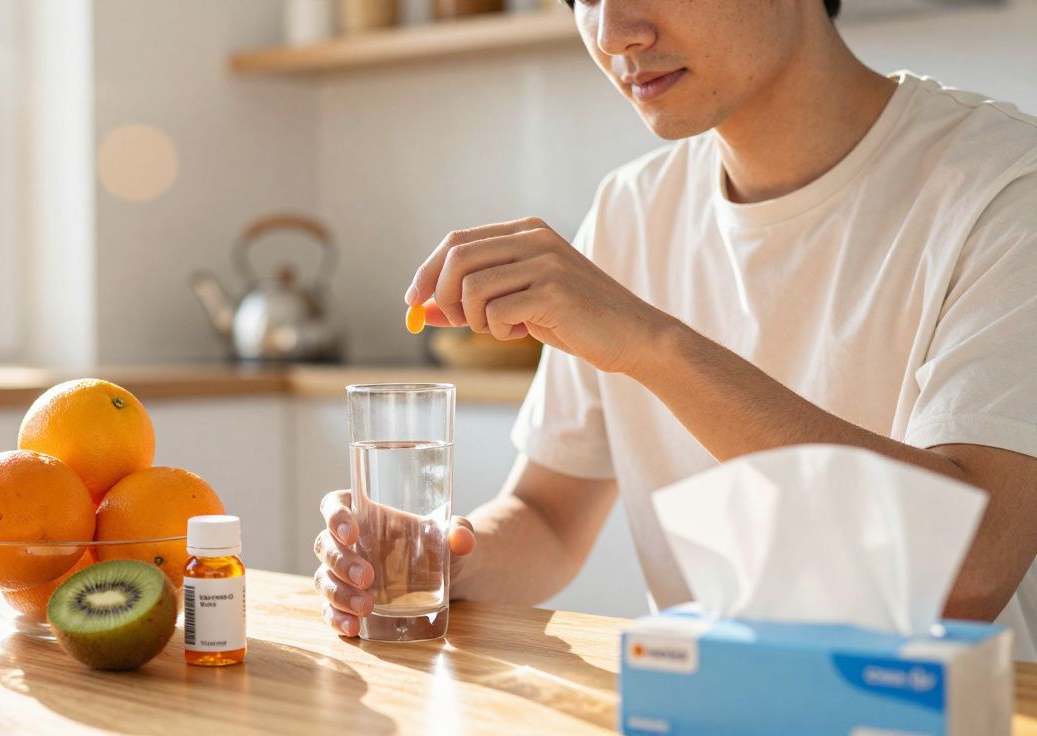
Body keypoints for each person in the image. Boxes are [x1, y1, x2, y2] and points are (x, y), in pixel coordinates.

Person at [313, 0, 1037, 658]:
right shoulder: (630, 210)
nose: (611, 32)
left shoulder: (1003, 189)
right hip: (691, 702)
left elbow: (966, 575)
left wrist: (652, 346)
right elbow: (549, 517)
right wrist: (441, 555)